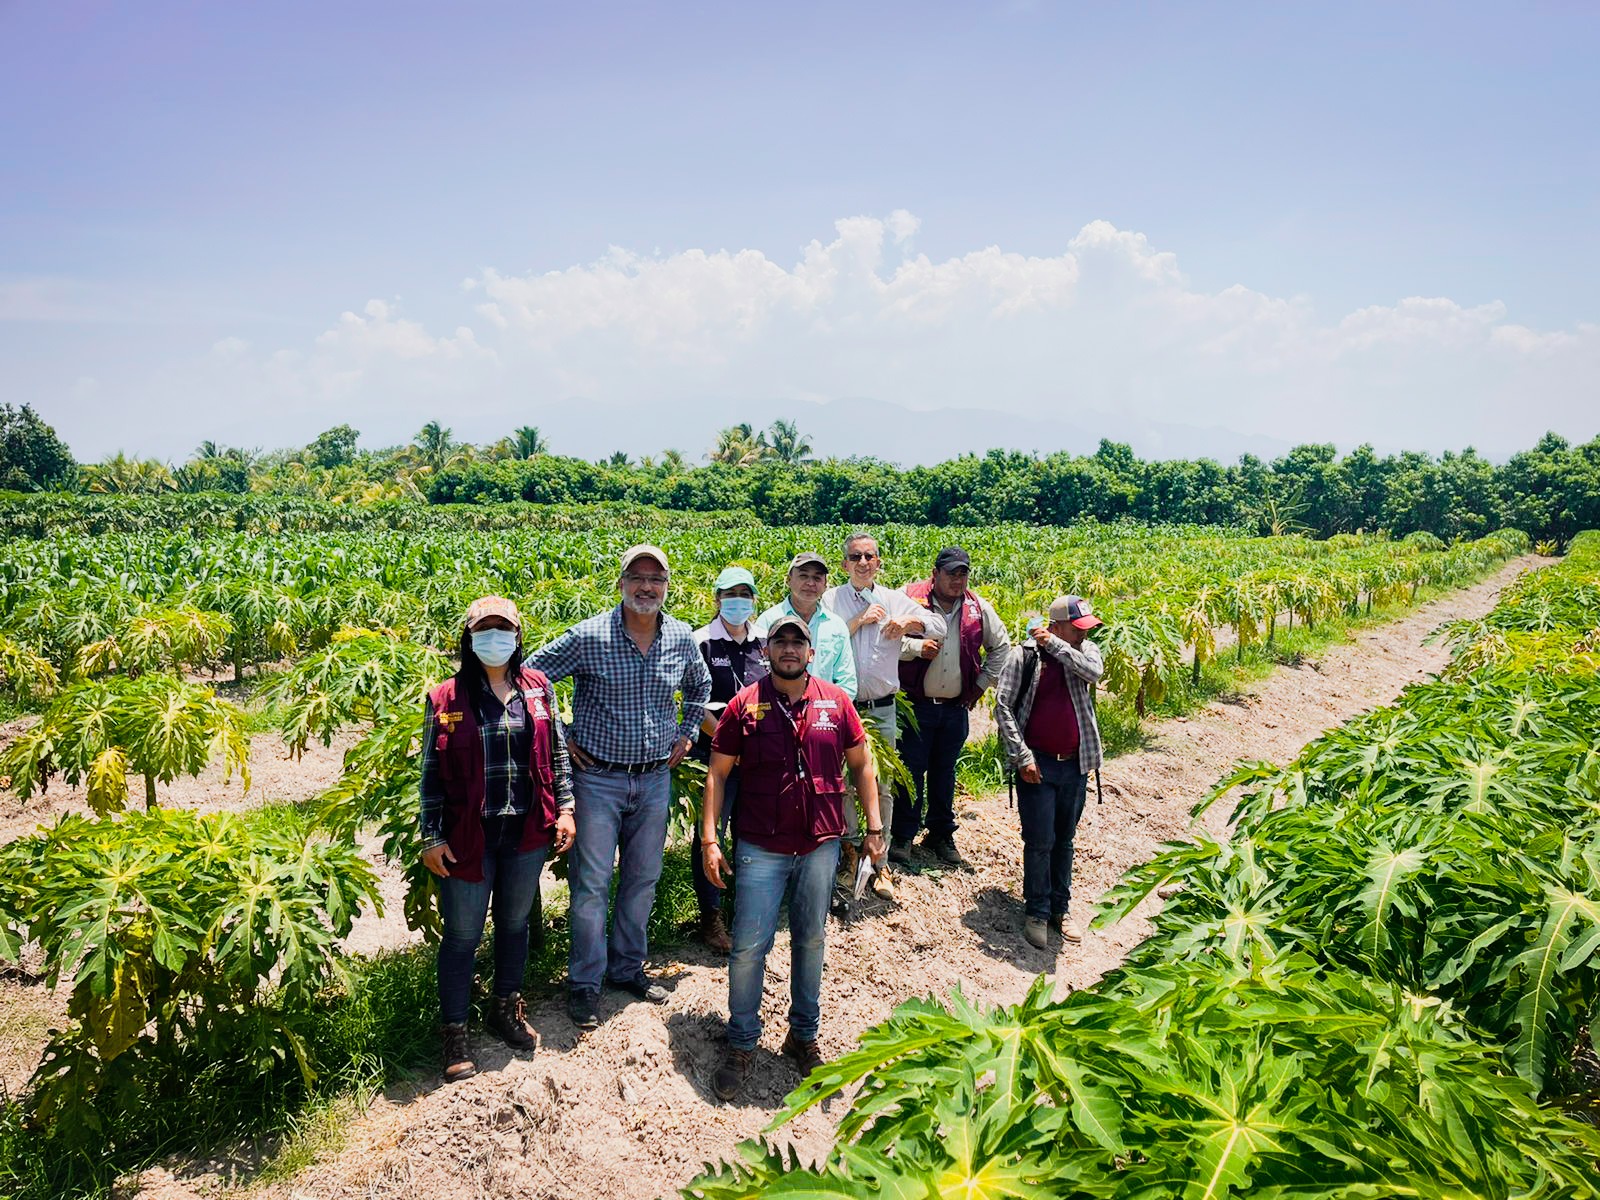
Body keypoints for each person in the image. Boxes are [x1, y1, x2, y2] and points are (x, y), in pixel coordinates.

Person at [701, 614, 886, 1103]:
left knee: (811, 941)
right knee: (747, 947)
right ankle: (741, 1042)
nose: (788, 649)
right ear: (767, 652)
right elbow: (717, 775)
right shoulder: (746, 704)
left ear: (810, 652)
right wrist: (709, 840)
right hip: (761, 846)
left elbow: (862, 765)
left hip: (820, 843)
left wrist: (873, 827)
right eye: (779, 641)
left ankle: (803, 1036)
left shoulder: (836, 701)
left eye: (796, 642)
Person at [528, 545, 712, 1032]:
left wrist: (689, 729)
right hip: (598, 780)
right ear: (621, 582)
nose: (646, 586)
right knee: (592, 886)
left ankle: (627, 968)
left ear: (667, 586)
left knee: (642, 880)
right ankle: (584, 983)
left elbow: (700, 685)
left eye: (656, 578)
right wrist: (562, 734)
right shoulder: (590, 636)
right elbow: (530, 677)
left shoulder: (678, 637)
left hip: (653, 779)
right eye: (637, 576)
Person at [420, 595, 577, 1083]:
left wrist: (566, 808)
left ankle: (506, 1007)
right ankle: (455, 1030)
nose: (495, 638)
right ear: (469, 639)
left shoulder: (537, 687)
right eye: (484, 630)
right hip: (470, 832)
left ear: (517, 636)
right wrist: (430, 836)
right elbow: (429, 773)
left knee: (513, 924)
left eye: (503, 629)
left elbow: (557, 754)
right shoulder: (444, 698)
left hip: (526, 828)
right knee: (463, 935)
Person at [821, 530, 944, 901]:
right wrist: (859, 619)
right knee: (840, 783)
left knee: (881, 786)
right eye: (855, 557)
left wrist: (909, 624)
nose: (862, 563)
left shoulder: (894, 599)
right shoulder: (831, 599)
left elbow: (938, 626)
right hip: (841, 708)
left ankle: (880, 859)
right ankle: (851, 850)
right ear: (845, 564)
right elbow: (821, 638)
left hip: (881, 709)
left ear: (879, 563)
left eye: (869, 557)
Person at [992, 596, 1105, 949]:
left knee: (1065, 839)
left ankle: (1061, 909)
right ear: (1056, 625)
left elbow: (1094, 673)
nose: (1083, 635)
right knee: (1040, 841)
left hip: (1076, 763)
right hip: (1038, 763)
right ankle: (1037, 911)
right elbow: (1003, 706)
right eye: (1076, 629)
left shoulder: (1086, 652)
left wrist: (1056, 645)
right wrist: (1022, 756)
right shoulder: (1023, 656)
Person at [895, 547, 1011, 866]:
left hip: (954, 707)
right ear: (935, 573)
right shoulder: (907, 598)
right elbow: (885, 639)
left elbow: (1001, 648)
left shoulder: (977, 607)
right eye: (951, 573)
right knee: (910, 770)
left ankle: (940, 834)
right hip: (915, 704)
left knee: (945, 772)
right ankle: (902, 835)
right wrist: (916, 648)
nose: (958, 580)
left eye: (963, 573)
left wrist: (980, 686)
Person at [689, 564, 769, 953]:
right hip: (716, 756)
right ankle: (711, 918)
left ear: (754, 600)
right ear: (717, 598)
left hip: (758, 759)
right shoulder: (701, 641)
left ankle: (747, 909)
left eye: (745, 594)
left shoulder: (764, 643)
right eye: (729, 594)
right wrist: (727, 744)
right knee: (711, 834)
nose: (737, 601)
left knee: (752, 835)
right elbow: (691, 703)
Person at [754, 552, 857, 699]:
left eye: (817, 578)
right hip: (777, 712)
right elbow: (759, 672)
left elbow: (846, 680)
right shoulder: (767, 621)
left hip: (825, 714)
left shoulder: (836, 626)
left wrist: (831, 711)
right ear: (789, 580)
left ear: (825, 584)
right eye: (803, 576)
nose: (810, 583)